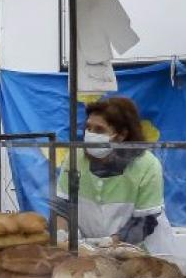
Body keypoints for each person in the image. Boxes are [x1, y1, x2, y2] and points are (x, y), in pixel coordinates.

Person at [53, 96, 167, 246]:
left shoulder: (147, 165)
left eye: (99, 130)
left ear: (121, 135)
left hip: (135, 250)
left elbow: (145, 221)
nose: (91, 134)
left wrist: (111, 243)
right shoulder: (75, 158)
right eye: (88, 128)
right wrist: (61, 234)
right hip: (86, 251)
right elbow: (62, 206)